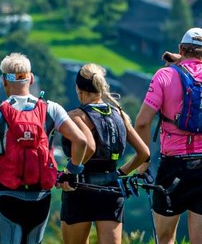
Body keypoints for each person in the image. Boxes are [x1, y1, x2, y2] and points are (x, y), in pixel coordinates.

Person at [0, 53, 93, 244]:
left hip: (7, 195)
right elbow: (81, 141)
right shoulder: (52, 109)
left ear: (3, 80)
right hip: (40, 197)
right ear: (31, 78)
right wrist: (71, 172)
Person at [133, 28, 202, 244]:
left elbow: (142, 122)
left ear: (180, 49)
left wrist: (143, 163)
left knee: (165, 238)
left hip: (174, 167)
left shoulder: (165, 75)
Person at [60, 63, 152, 244]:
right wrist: (121, 173)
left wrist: (70, 173)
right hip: (111, 190)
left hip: (80, 189)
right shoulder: (118, 113)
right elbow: (144, 153)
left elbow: (89, 146)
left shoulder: (77, 116)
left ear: (78, 88)